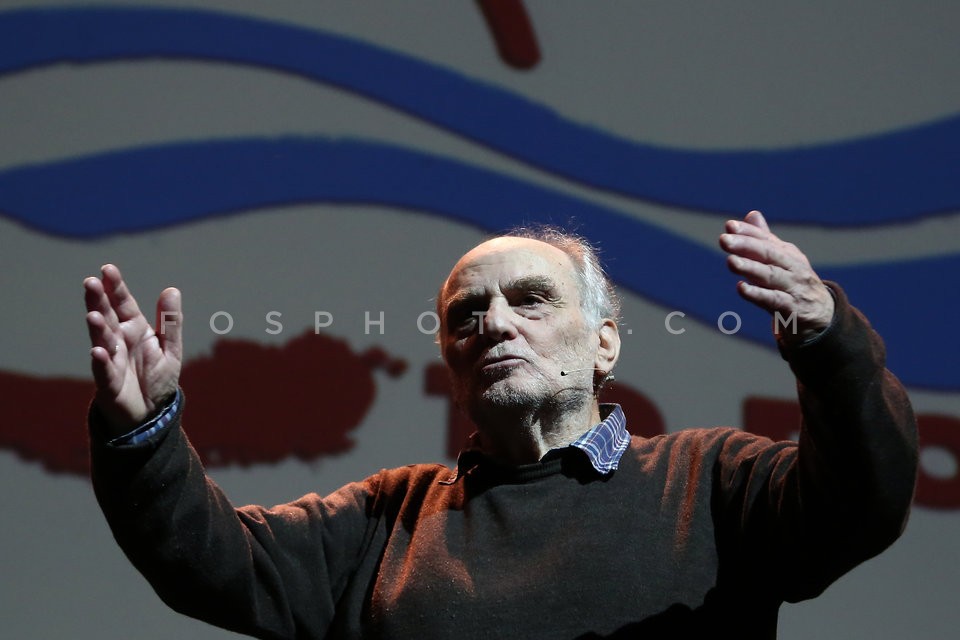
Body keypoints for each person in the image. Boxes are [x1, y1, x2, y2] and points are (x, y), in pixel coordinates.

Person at [84, 211, 917, 639]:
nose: (495, 324)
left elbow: (862, 497)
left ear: (604, 343)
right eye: (467, 314)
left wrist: (828, 339)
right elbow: (213, 562)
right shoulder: (385, 523)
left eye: (531, 300)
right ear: (451, 364)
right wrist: (146, 430)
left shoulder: (710, 483)